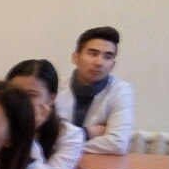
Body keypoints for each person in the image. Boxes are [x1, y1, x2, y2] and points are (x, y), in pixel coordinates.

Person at [6, 59, 84, 169]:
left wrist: (28, 132)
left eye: (31, 95)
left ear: (51, 98)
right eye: (14, 93)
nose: (20, 101)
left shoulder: (69, 134)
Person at [53, 26, 135, 154]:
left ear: (112, 65)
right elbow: (37, 135)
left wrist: (61, 144)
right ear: (75, 57)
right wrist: (88, 132)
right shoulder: (55, 85)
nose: (99, 62)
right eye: (93, 53)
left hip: (95, 163)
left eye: (107, 57)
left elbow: (118, 143)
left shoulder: (121, 91)